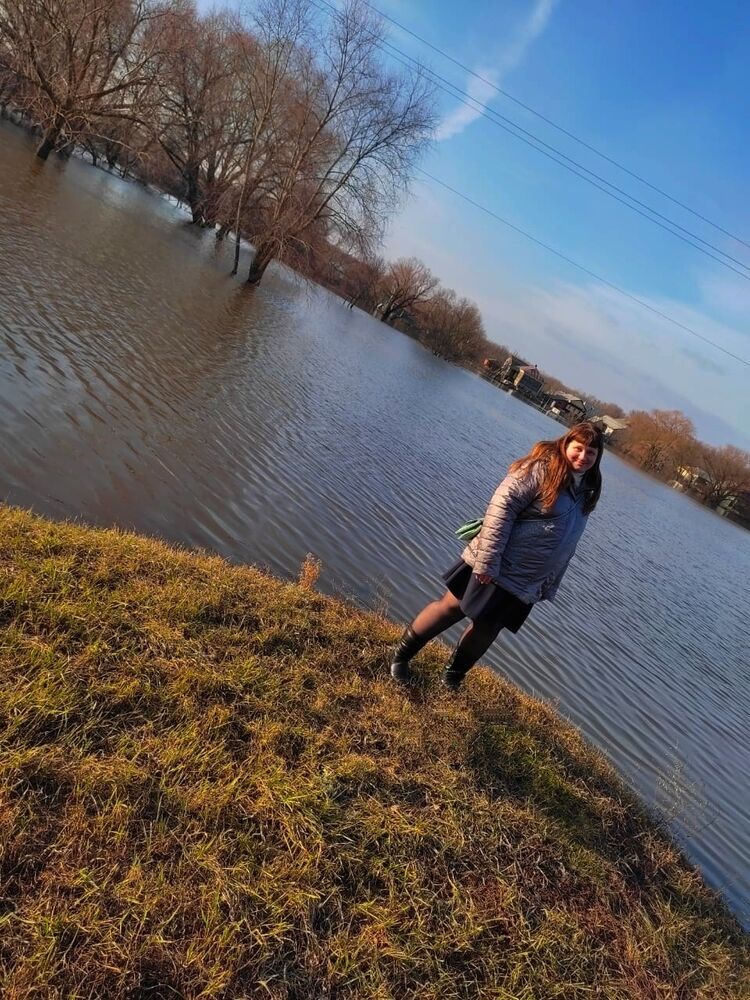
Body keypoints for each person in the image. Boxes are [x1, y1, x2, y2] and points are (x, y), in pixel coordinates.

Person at [390, 421, 604, 690]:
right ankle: (400, 658)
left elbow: (567, 542)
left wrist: (548, 583)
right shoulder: (541, 469)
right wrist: (488, 560)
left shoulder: (586, 489)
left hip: (525, 579)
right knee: (452, 608)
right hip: (497, 560)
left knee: (489, 627)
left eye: (591, 452)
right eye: (578, 448)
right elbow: (501, 508)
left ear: (598, 457)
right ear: (566, 444)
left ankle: (452, 679)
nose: (583, 456)